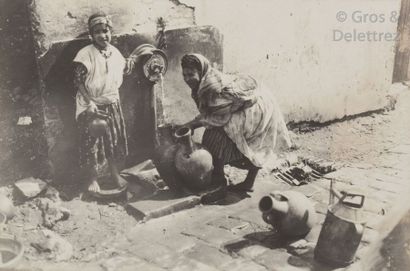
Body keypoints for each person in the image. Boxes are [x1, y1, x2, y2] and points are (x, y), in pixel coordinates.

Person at [180, 53, 292, 192]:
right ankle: (227, 179)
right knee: (232, 140)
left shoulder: (211, 87)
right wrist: (193, 124)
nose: (187, 79)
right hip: (245, 106)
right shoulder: (204, 82)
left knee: (218, 139)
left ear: (200, 70)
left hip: (257, 108)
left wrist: (193, 124)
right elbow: (212, 112)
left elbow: (219, 118)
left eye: (191, 74)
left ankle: (221, 181)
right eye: (184, 75)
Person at [73, 12, 134, 193]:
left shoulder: (114, 52)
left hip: (111, 103)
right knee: (92, 142)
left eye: (106, 31)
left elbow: (122, 70)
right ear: (91, 35)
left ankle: (114, 174)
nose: (103, 35)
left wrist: (130, 62)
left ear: (110, 32)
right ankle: (93, 179)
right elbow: (77, 81)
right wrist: (90, 102)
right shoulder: (85, 54)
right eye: (98, 32)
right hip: (91, 104)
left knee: (112, 141)